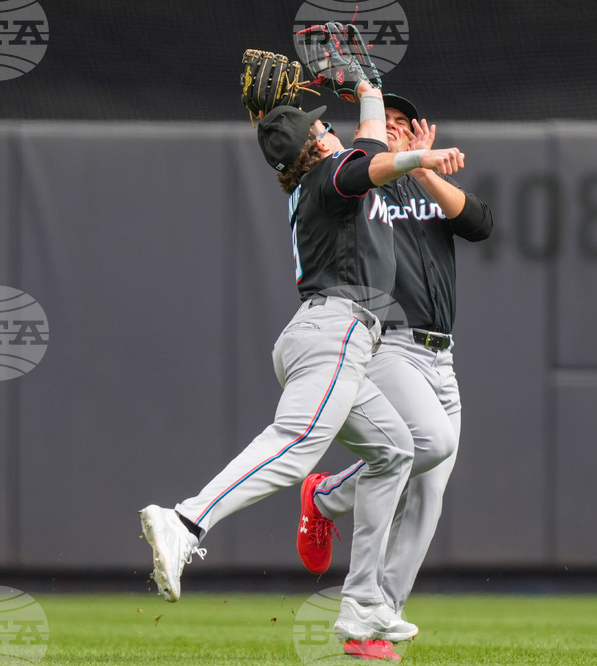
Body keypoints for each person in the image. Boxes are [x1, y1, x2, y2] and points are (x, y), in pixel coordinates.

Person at [139, 81, 469, 643]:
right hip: (337, 330)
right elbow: (368, 161)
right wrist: (422, 156)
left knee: (395, 452)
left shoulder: (320, 173)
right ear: (315, 148)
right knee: (294, 445)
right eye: (319, 127)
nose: (327, 127)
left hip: (327, 333)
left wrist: (370, 90)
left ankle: (363, 604)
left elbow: (364, 146)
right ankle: (186, 520)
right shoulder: (331, 176)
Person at [296, 93, 493, 631]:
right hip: (390, 343)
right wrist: (385, 157)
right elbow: (353, 176)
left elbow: (480, 223)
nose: (399, 131)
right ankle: (330, 496)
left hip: (441, 355)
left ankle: (381, 613)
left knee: (429, 489)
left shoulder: (428, 191)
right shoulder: (362, 185)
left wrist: (427, 172)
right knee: (431, 443)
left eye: (407, 124)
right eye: (390, 124)